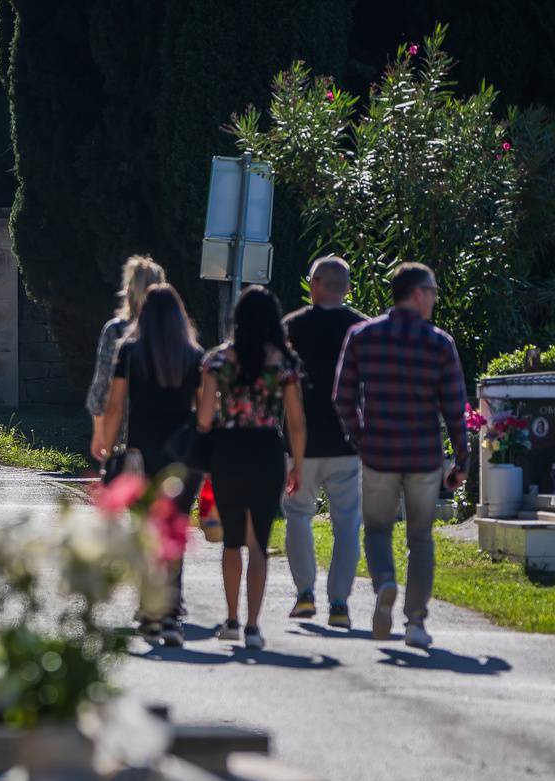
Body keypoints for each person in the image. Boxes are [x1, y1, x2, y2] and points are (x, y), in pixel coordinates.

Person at [333, 261, 469, 649]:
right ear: (417, 294)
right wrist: (461, 460)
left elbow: (342, 396)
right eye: (433, 291)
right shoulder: (440, 343)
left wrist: (361, 437)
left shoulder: (362, 336)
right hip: (424, 458)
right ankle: (415, 622)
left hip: (378, 455)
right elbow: (455, 408)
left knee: (377, 530)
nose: (435, 299)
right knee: (421, 538)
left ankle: (385, 583)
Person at [195, 286, 307, 650]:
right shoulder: (283, 362)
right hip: (266, 450)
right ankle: (254, 626)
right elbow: (296, 421)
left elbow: (206, 416)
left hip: (228, 451)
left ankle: (230, 618)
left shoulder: (217, 360)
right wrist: (298, 465)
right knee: (259, 540)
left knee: (231, 540)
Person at [93, 282, 203, 646]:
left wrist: (107, 448)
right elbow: (205, 414)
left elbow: (114, 404)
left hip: (143, 455)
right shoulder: (194, 355)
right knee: (175, 532)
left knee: (145, 534)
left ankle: (149, 610)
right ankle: (170, 613)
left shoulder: (131, 352)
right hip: (184, 459)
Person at [282, 255, 368, 629]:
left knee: (298, 514)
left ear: (313, 284)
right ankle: (339, 602)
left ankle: (304, 594)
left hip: (299, 443)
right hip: (346, 440)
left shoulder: (292, 327)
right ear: (347, 288)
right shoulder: (362, 328)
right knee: (346, 523)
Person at [86, 256, 168, 460]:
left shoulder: (115, 331)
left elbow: (102, 389)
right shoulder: (176, 334)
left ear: (129, 289)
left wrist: (100, 435)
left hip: (127, 438)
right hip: (170, 440)